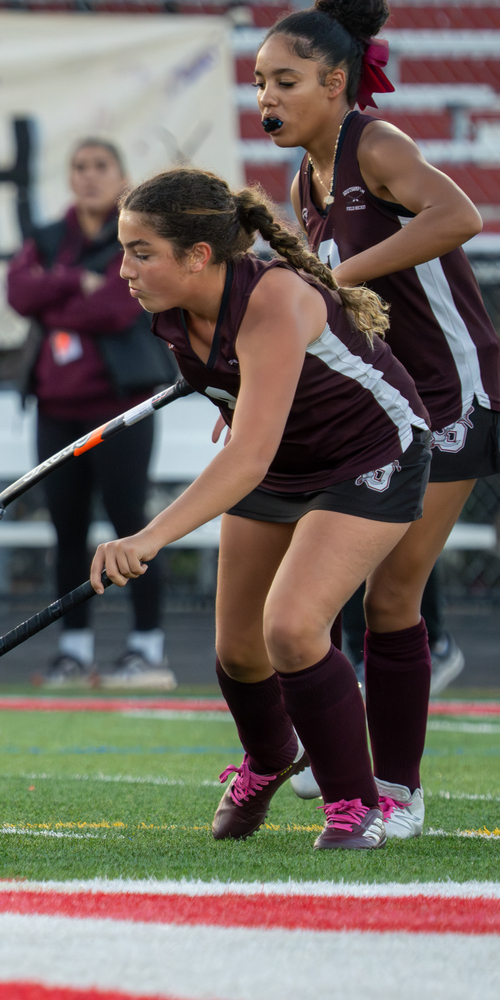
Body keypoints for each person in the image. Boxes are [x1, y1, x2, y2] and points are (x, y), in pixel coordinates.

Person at [94, 167, 430, 851]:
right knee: (240, 652)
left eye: (140, 250)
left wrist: (151, 536)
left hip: (370, 453)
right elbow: (250, 414)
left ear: (199, 256)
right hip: (284, 460)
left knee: (293, 628)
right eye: (124, 249)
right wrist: (239, 403)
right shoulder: (172, 312)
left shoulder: (273, 299)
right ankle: (272, 757)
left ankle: (353, 805)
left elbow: (246, 457)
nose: (123, 267)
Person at [256, 0, 498, 828]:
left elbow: (460, 216)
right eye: (258, 83)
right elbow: (313, 312)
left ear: (335, 82)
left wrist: (341, 273)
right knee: (357, 589)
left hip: (454, 395)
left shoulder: (378, 145)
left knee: (392, 596)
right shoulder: (303, 177)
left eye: (285, 82)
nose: (267, 99)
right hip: (390, 402)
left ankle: (397, 791)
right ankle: (343, 756)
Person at [7, 138, 174, 690]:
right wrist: (75, 281)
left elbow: (117, 305)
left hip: (120, 410)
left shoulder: (138, 235)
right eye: (79, 167)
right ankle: (74, 652)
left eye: (101, 166)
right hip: (56, 410)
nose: (89, 177)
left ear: (121, 174)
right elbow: (17, 292)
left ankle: (146, 649)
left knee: (133, 528)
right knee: (67, 531)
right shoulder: (51, 236)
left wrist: (59, 297)